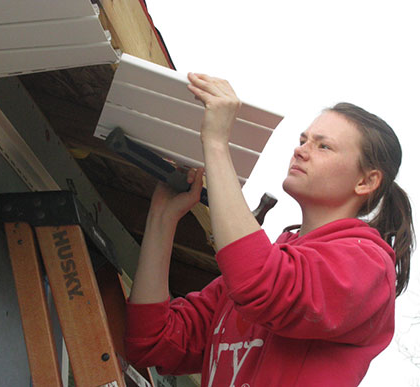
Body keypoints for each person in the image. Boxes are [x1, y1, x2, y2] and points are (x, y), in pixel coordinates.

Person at [124, 73, 415, 386]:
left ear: (366, 182)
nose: (301, 150)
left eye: (324, 146)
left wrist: (217, 144)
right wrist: (162, 218)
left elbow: (261, 283)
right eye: (303, 140)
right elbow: (153, 342)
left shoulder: (367, 264)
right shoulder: (262, 270)